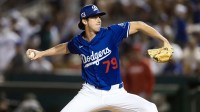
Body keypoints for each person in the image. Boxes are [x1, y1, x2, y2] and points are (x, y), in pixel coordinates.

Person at [26, 4, 172, 112]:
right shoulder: (78, 42)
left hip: (117, 93)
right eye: (94, 17)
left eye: (99, 17)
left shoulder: (111, 33)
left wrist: (163, 39)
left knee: (150, 108)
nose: (98, 20)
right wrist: (41, 53)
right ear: (84, 21)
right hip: (90, 93)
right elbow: (64, 47)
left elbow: (139, 25)